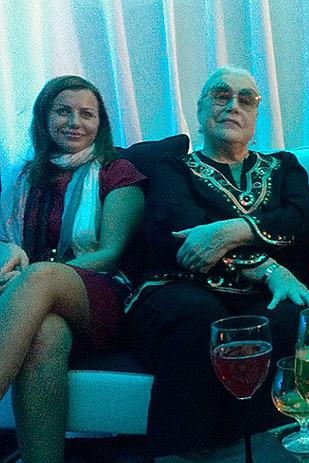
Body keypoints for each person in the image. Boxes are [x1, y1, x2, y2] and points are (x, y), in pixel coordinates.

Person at [125, 66, 309, 457]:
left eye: (246, 99)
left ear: (256, 115)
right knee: (200, 318)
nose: (233, 105)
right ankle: (181, 456)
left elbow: (303, 221)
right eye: (221, 95)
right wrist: (268, 267)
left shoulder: (284, 167)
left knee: (286, 319)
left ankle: (264, 454)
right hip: (181, 286)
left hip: (266, 295)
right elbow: (179, 229)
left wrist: (234, 230)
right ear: (199, 109)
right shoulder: (172, 167)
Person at [0, 75, 145, 463]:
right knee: (45, 335)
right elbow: (5, 242)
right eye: (63, 111)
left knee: (41, 276)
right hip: (36, 301)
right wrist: (11, 261)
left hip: (103, 294)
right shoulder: (24, 177)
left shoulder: (117, 172)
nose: (74, 122)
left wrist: (33, 278)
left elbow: (110, 254)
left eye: (87, 114)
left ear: (100, 123)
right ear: (44, 117)